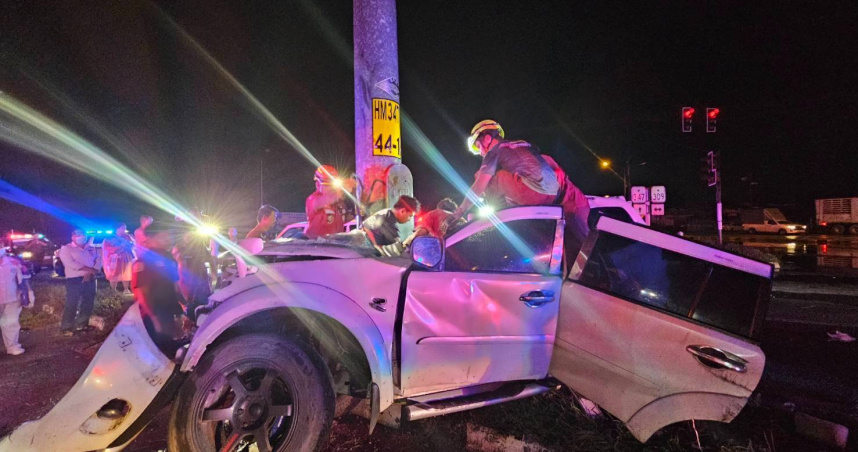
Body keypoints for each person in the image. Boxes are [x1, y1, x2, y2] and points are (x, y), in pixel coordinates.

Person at [452, 120, 590, 260]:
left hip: (534, 194)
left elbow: (480, 185)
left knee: (487, 177)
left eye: (479, 147)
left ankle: (494, 217)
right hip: (554, 193)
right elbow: (543, 163)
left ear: (487, 138)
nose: (481, 153)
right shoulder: (522, 144)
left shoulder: (494, 151)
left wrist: (460, 211)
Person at [132, 222, 185, 355]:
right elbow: (141, 292)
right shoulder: (144, 262)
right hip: (154, 312)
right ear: (149, 240)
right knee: (157, 349)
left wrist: (182, 305)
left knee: (170, 344)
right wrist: (154, 318)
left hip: (168, 309)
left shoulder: (168, 257)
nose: (168, 240)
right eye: (163, 237)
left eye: (168, 236)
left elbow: (175, 283)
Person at [58, 229, 102, 336]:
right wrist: (88, 269)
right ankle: (66, 327)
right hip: (74, 280)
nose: (81, 236)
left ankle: (82, 324)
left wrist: (93, 271)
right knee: (72, 303)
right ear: (73, 237)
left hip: (91, 278)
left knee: (88, 302)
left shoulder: (91, 248)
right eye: (78, 235)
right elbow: (70, 263)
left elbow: (99, 260)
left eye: (83, 234)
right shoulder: (66, 248)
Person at [305, 165, 356, 239]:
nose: (331, 188)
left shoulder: (339, 202)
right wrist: (345, 188)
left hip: (335, 244)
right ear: (318, 183)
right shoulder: (312, 199)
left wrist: (356, 213)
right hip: (316, 245)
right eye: (328, 184)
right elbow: (326, 200)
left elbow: (343, 219)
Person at [0, 247, 25, 355]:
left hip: (12, 298)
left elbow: (23, 279)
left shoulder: (13, 262)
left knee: (11, 323)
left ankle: (12, 346)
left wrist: (27, 294)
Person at [102, 223, 135, 295]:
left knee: (126, 273)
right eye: (122, 228)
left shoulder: (127, 237)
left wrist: (129, 245)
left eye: (125, 228)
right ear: (117, 228)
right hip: (114, 259)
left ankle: (126, 289)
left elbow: (132, 245)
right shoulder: (110, 238)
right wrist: (119, 247)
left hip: (126, 257)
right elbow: (107, 248)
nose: (124, 229)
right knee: (114, 273)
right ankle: (113, 290)